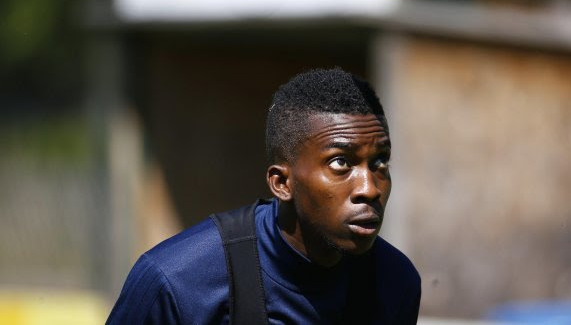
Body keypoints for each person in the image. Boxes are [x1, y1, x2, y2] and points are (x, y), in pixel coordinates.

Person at [107, 67, 421, 324]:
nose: (369, 187)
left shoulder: (394, 283)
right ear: (281, 183)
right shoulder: (176, 284)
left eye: (380, 162)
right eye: (341, 162)